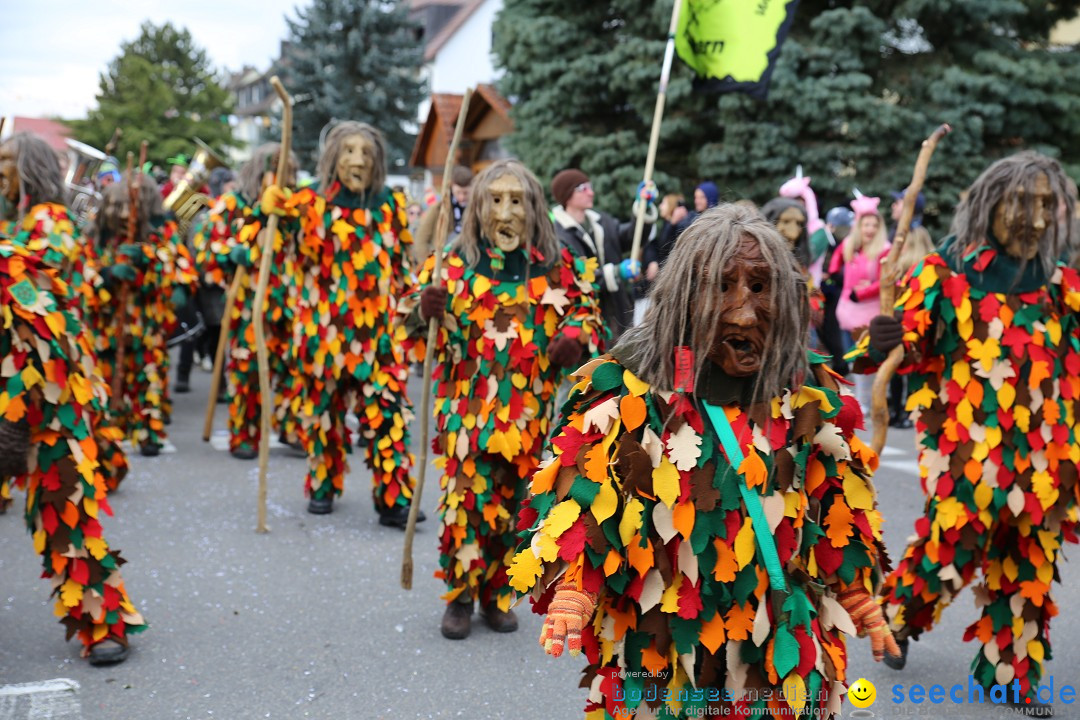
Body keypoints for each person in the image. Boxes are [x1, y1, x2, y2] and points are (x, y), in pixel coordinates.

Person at [510, 204, 897, 718]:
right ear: (684, 297)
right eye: (722, 286)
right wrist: (576, 585)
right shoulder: (630, 394)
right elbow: (586, 500)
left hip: (776, 628)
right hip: (662, 630)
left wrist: (854, 589)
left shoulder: (808, 395)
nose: (743, 311)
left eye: (760, 288)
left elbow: (834, 508)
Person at [853, 152, 1078, 717]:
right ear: (990, 204)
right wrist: (880, 342)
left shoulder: (1060, 285)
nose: (1038, 219)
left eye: (1049, 205)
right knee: (949, 551)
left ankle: (1011, 675)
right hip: (967, 457)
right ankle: (898, 618)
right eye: (1024, 204)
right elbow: (894, 351)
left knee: (1028, 566)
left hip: (1044, 461)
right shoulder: (947, 274)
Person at [400, 159, 605, 640]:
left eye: (517, 201)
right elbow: (408, 323)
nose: (506, 212)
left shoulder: (555, 266)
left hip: (529, 414)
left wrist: (574, 334)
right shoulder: (452, 264)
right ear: (477, 209)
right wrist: (422, 311)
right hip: (465, 413)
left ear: (533, 209)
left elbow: (587, 309)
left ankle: (496, 594)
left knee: (516, 508)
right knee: (466, 503)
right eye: (496, 200)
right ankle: (460, 596)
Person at [261, 122, 420, 526]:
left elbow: (402, 265)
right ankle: (323, 483)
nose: (357, 160)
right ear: (333, 157)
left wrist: (415, 306)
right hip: (322, 333)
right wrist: (269, 216)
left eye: (365, 153)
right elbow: (272, 253)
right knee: (322, 416)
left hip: (379, 336)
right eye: (348, 151)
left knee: (388, 413)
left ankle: (393, 498)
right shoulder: (309, 202)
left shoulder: (389, 205)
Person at [0, 241, 146, 665]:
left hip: (36, 409)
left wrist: (15, 417)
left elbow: (52, 339)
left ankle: (101, 619)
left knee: (63, 507)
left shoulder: (14, 267)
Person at [199, 143, 299, 460]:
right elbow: (205, 247)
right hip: (246, 304)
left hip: (289, 302)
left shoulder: (294, 208)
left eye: (290, 173)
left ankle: (291, 426)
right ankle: (245, 433)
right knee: (247, 369)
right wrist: (229, 253)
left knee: (292, 367)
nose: (284, 179)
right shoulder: (233, 204)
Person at [89, 176, 196, 456]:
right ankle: (110, 426)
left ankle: (148, 429)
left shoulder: (162, 230)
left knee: (148, 377)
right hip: (108, 324)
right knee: (108, 375)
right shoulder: (98, 233)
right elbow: (83, 273)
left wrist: (149, 261)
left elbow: (177, 267)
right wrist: (107, 275)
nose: (125, 214)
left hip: (148, 323)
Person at [551, 168, 653, 343]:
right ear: (567, 195)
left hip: (619, 316)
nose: (591, 192)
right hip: (587, 323)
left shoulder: (601, 222)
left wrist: (643, 207)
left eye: (590, 186)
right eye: (583, 188)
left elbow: (630, 236)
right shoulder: (559, 236)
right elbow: (577, 277)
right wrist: (616, 273)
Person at [830, 195, 889, 412]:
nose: (870, 229)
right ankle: (857, 400)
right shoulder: (849, 245)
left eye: (875, 224)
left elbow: (886, 280)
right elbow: (834, 266)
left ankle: (867, 400)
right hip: (847, 311)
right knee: (850, 357)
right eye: (866, 224)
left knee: (866, 358)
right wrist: (839, 279)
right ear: (859, 225)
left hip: (869, 312)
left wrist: (862, 292)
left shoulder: (885, 249)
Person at [413, 165, 473, 265]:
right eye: (458, 192)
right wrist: (429, 266)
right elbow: (421, 240)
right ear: (452, 187)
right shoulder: (438, 209)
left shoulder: (476, 210)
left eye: (466, 193)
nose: (462, 197)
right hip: (441, 264)